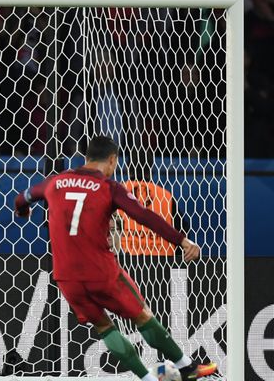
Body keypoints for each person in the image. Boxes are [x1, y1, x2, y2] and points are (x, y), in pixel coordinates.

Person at [12, 136, 217, 381]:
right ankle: (187, 367)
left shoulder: (54, 182)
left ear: (86, 158)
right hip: (101, 273)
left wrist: (24, 211)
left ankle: (148, 379)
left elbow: (21, 198)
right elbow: (143, 216)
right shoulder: (109, 187)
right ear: (112, 159)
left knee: (104, 328)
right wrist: (183, 241)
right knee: (142, 315)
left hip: (67, 277)